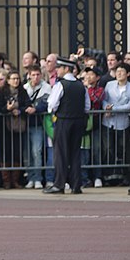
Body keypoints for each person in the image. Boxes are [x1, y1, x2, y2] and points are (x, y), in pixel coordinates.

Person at [44, 57, 90, 194]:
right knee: (75, 153)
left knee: (61, 153)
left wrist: (54, 111)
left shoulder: (60, 85)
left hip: (64, 120)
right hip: (79, 120)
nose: (57, 70)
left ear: (66, 69)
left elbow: (52, 104)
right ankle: (76, 185)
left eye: (59, 68)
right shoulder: (81, 85)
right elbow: (87, 106)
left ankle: (59, 184)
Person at [101, 62, 130, 185]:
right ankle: (108, 176)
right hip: (108, 121)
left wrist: (114, 109)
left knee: (122, 149)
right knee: (108, 148)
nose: (119, 74)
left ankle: (124, 176)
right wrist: (106, 107)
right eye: (117, 72)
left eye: (122, 72)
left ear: (128, 73)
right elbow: (104, 99)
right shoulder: (109, 85)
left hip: (123, 123)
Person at [23, 65, 50, 189]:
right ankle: (30, 177)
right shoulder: (25, 88)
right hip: (25, 124)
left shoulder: (46, 87)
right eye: (33, 75)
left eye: (38, 74)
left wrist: (36, 109)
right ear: (29, 75)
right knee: (27, 153)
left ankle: (38, 178)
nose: (35, 77)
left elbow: (47, 103)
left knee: (37, 151)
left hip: (38, 124)